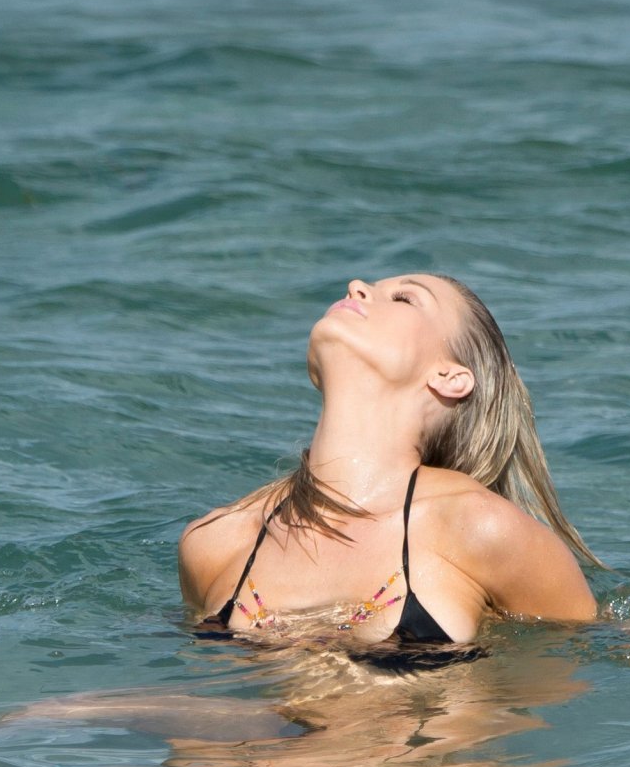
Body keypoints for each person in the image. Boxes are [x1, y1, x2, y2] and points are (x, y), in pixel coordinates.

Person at [179, 273, 600, 666]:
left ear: (449, 376)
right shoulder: (216, 541)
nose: (356, 285)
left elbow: (582, 667)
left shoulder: (480, 528)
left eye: (403, 298)